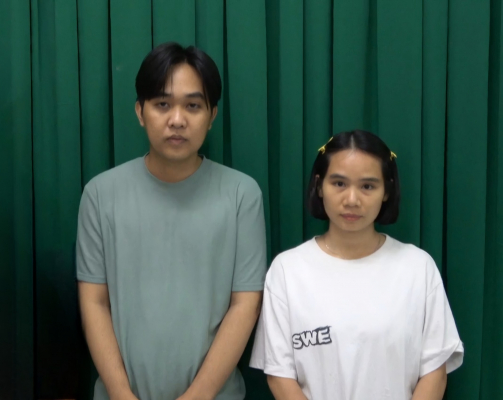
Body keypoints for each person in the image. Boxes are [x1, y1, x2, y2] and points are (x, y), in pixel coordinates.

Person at [76, 42, 267, 400]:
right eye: (162, 104)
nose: (177, 120)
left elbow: (245, 305)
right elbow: (94, 302)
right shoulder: (100, 194)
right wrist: (120, 393)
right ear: (140, 111)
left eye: (193, 106)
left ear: (211, 115)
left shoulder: (242, 194)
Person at [249, 130, 464, 400]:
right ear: (319, 185)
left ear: (387, 191)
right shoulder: (287, 270)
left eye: (367, 186)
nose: (352, 200)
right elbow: (279, 375)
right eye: (339, 183)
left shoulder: (418, 268)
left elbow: (435, 371)